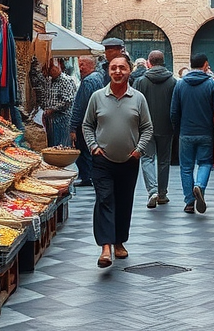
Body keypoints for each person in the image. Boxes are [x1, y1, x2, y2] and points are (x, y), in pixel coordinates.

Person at [82, 55, 153, 268]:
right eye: (113, 68)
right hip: (102, 160)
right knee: (104, 199)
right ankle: (105, 248)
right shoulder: (97, 97)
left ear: (129, 71)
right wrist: (93, 146)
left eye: (122, 67)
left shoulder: (138, 98)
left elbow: (147, 127)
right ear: (108, 71)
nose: (118, 71)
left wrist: (139, 150)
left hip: (129, 160)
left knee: (123, 202)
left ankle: (119, 242)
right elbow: (87, 125)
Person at [171, 53, 214, 214]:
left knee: (186, 167)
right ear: (206, 65)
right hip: (206, 132)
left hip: (186, 132)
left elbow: (174, 112)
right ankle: (199, 185)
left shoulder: (180, 85)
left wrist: (178, 129)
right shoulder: (211, 85)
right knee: (205, 163)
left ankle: (189, 202)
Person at [133, 50, 176, 209]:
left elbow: (135, 105)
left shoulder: (140, 81)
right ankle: (163, 193)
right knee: (164, 160)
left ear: (149, 63)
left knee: (147, 159)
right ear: (163, 61)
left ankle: (152, 191)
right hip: (166, 126)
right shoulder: (172, 81)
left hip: (145, 127)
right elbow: (175, 106)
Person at [70, 55, 105, 187]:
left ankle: (87, 176)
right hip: (94, 121)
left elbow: (80, 105)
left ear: (91, 65)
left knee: (84, 149)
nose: (80, 68)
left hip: (85, 122)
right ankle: (89, 176)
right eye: (79, 64)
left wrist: (73, 126)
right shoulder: (98, 78)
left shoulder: (88, 81)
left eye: (83, 64)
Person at [41, 57, 76, 147]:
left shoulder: (66, 80)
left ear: (59, 67)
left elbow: (67, 100)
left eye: (53, 68)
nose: (51, 71)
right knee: (53, 145)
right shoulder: (49, 80)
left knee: (63, 145)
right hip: (51, 120)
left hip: (63, 119)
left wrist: (52, 109)